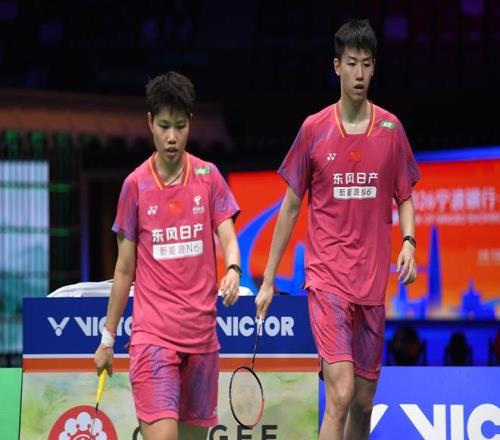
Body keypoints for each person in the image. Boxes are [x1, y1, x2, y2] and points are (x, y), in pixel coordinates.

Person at [255, 19, 420, 440]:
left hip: (372, 283)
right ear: (336, 66)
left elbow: (404, 196)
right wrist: (269, 279)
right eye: (351, 63)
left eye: (366, 64)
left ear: (374, 68)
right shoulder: (314, 129)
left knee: (363, 402)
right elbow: (291, 207)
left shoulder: (391, 130)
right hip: (327, 278)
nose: (359, 73)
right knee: (341, 392)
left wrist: (409, 242)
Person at [94, 71, 242, 440]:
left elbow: (228, 235)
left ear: (190, 122)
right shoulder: (135, 186)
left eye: (179, 126)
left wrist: (234, 268)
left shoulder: (208, 177)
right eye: (163, 126)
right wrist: (108, 339)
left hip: (202, 340)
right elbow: (124, 269)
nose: (172, 137)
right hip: (153, 338)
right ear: (150, 123)